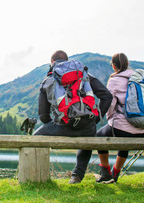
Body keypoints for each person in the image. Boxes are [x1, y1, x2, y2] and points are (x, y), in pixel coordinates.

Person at [33, 50, 112, 184]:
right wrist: (95, 119)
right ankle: (77, 176)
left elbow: (43, 115)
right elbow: (107, 96)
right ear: (67, 61)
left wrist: (57, 123)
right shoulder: (84, 75)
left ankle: (36, 176)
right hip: (88, 126)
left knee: (34, 139)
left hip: (63, 125)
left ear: (52, 62)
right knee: (88, 137)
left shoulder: (48, 80)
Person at [95, 53, 144, 184]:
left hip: (122, 127)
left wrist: (111, 119)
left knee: (99, 136)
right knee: (124, 140)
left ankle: (105, 172)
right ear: (128, 64)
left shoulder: (115, 80)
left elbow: (110, 104)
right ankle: (115, 173)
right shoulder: (140, 79)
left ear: (114, 66)